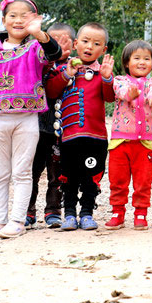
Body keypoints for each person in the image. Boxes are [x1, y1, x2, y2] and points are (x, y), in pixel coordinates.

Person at [0, 0, 62, 239]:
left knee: (22, 172)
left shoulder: (35, 48)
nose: (18, 20)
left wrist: (40, 34)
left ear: (34, 20)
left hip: (26, 119)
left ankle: (17, 221)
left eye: (25, 16)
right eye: (13, 15)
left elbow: (55, 54)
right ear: (4, 21)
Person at [46, 22, 115, 231]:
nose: (89, 46)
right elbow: (51, 91)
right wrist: (67, 74)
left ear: (103, 50)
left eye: (96, 44)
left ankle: (86, 214)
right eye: (85, 41)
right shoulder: (65, 69)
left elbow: (110, 97)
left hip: (96, 138)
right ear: (76, 44)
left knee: (90, 177)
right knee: (69, 177)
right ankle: (68, 214)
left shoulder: (102, 73)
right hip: (69, 138)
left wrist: (107, 78)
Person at [104, 40, 152, 230]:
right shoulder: (120, 80)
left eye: (147, 58)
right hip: (120, 141)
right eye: (136, 58)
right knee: (118, 180)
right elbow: (121, 92)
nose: (142, 62)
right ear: (127, 62)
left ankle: (141, 213)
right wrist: (130, 94)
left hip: (144, 143)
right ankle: (117, 212)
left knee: (143, 181)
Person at [26, 22, 75, 229]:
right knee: (31, 172)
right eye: (53, 40)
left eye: (64, 40)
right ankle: (27, 211)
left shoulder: (77, 66)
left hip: (62, 130)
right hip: (37, 127)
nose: (59, 44)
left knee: (57, 173)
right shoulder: (40, 64)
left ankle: (53, 211)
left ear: (74, 45)